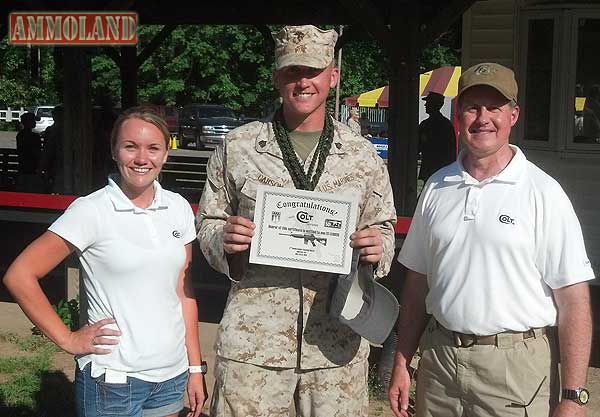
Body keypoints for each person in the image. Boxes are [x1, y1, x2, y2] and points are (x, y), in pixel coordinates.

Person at [197, 25, 396, 417]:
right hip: (255, 347)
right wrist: (224, 240)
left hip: (335, 347)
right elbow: (207, 222)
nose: (302, 81)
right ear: (276, 77)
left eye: (313, 70)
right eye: (291, 71)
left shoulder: (362, 155)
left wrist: (379, 246)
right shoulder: (238, 147)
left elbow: (384, 225)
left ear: (333, 75)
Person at [389, 63, 595, 417]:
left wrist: (573, 396)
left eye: (494, 107)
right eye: (472, 107)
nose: (482, 118)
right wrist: (401, 361)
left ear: (513, 115)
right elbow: (417, 284)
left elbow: (573, 300)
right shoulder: (437, 186)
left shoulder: (543, 192)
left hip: (515, 372)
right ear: (458, 115)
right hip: (439, 364)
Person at [3, 107, 208, 417]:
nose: (142, 158)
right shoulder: (91, 210)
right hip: (113, 381)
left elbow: (184, 293)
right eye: (130, 147)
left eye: (153, 148)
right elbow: (20, 275)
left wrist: (194, 367)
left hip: (170, 376)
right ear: (115, 151)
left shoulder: (178, 208)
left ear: (166, 153)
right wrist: (67, 339)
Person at [418, 91, 456, 182]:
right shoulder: (445, 124)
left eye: (428, 103)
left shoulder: (429, 125)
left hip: (438, 169)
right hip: (436, 169)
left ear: (434, 105)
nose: (425, 105)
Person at [40, 105, 64, 193]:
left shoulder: (55, 130)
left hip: (59, 161)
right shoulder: (50, 130)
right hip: (53, 162)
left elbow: (47, 148)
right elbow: (47, 148)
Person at [16, 112, 42, 192]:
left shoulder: (20, 135)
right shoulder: (35, 137)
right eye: (33, 121)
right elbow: (37, 153)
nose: (35, 122)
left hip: (22, 166)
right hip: (33, 167)